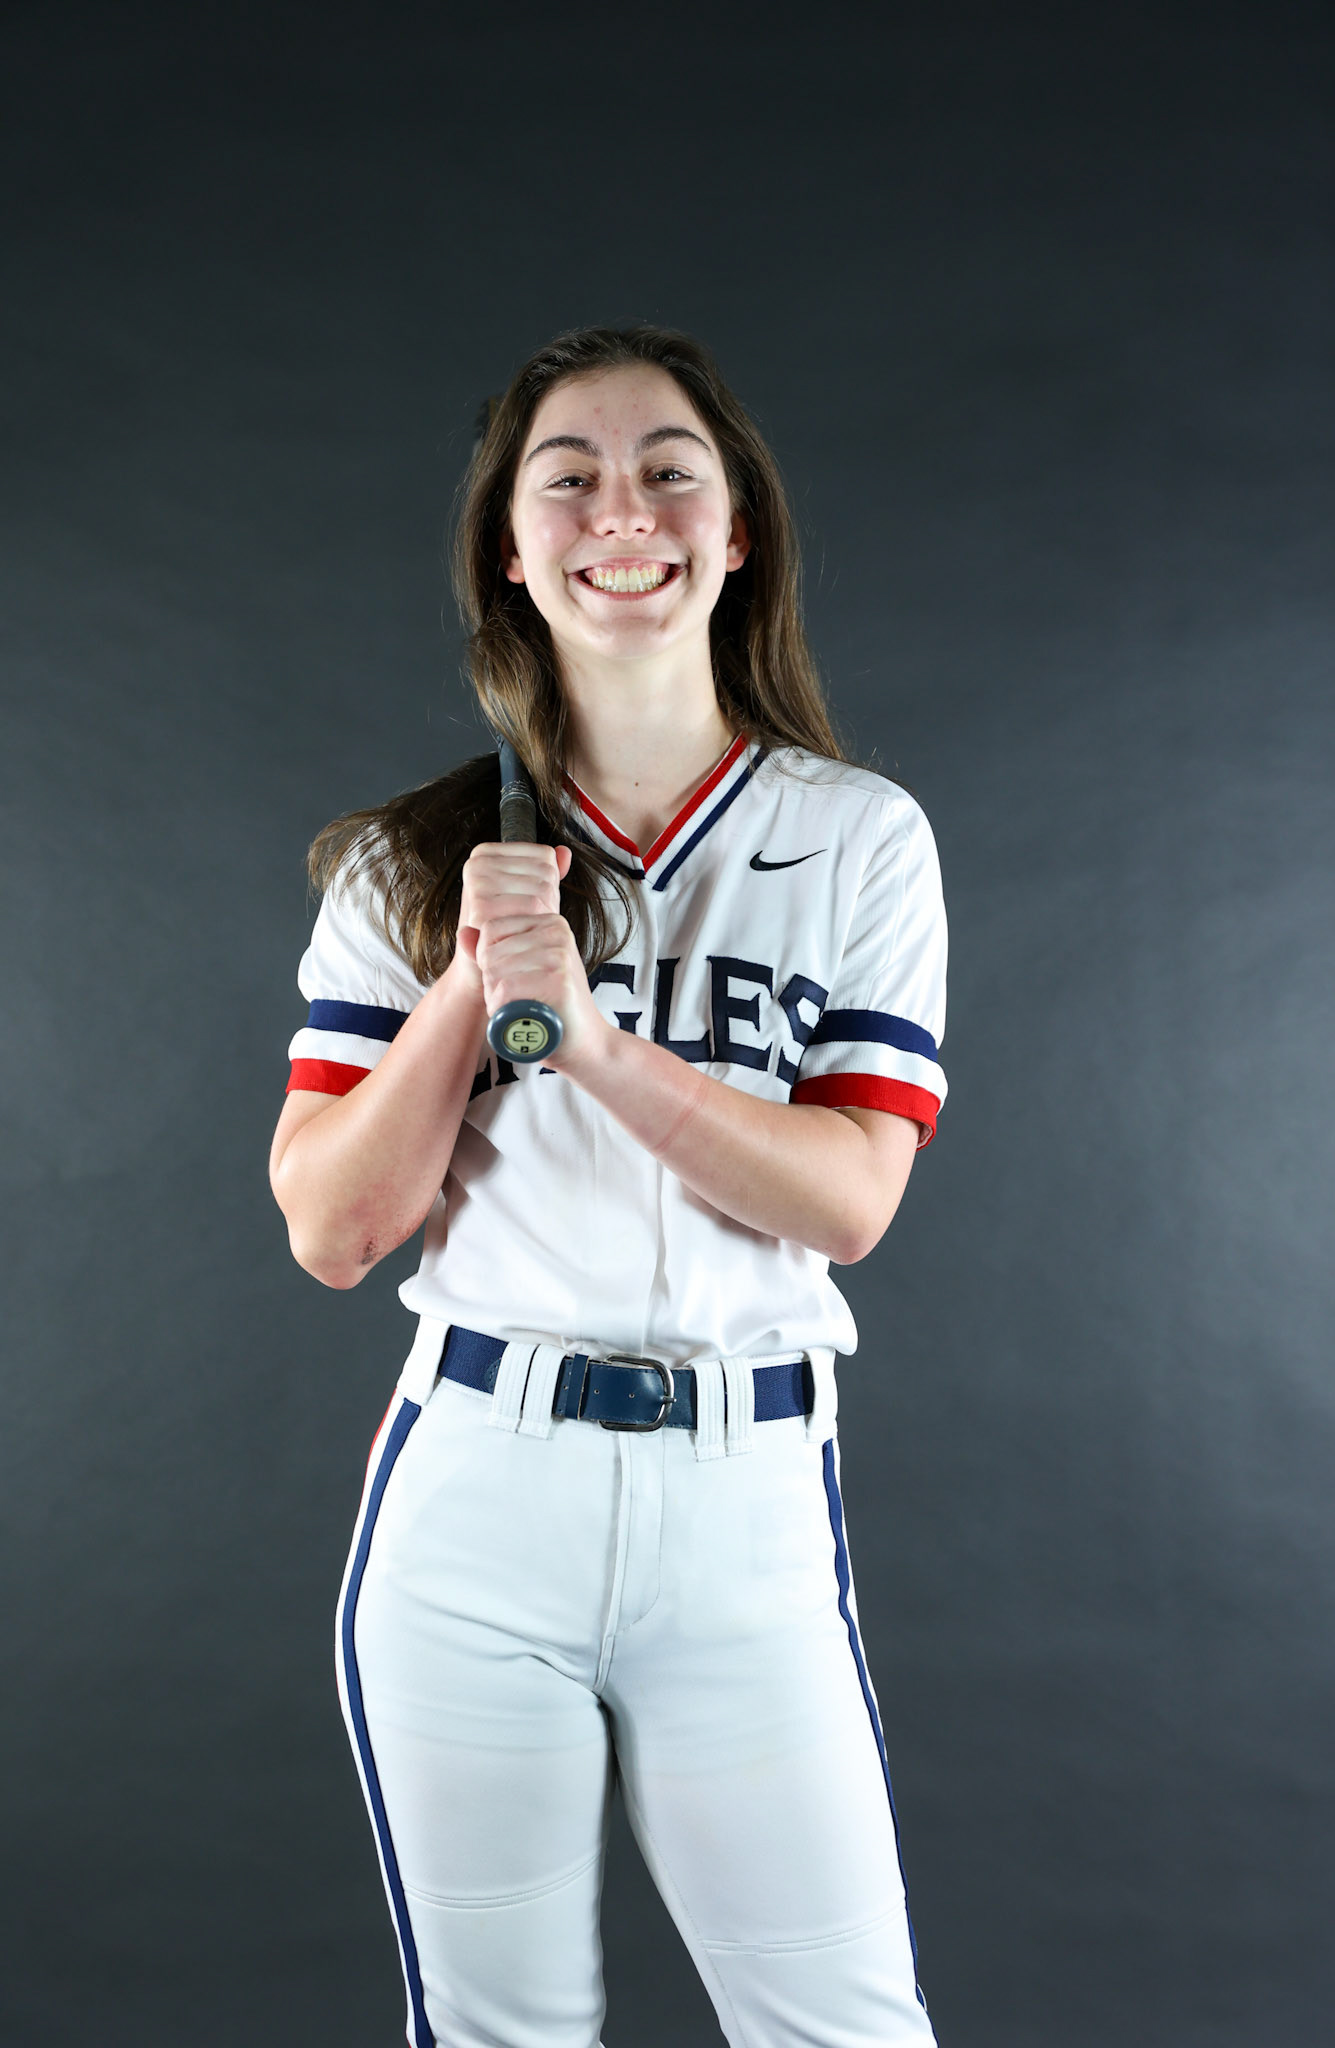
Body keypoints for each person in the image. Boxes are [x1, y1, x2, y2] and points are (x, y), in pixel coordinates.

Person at [269, 324, 948, 2048]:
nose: (616, 506)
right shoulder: (401, 863)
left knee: (845, 2026)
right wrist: (465, 986)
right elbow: (335, 1231)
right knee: (499, 2033)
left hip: (745, 1495)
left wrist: (585, 1039)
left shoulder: (858, 836)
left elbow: (849, 1200)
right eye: (563, 475)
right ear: (511, 546)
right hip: (479, 1492)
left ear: (735, 538)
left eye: (669, 470)